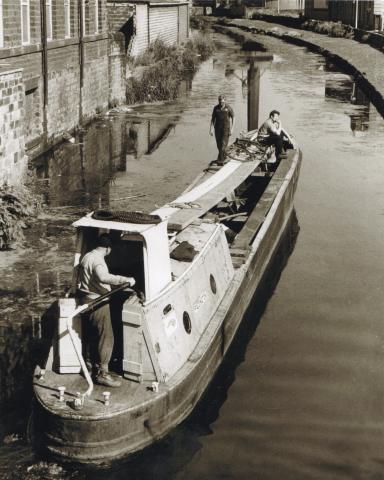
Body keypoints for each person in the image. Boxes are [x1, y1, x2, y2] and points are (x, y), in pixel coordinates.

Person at [77, 233, 135, 388]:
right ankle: (103, 373)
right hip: (98, 303)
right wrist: (125, 280)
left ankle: (89, 366)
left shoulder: (87, 256)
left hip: (85, 300)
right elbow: (103, 277)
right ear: (108, 249)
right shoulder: (98, 261)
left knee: (90, 335)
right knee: (106, 337)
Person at [209, 94, 235, 165]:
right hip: (217, 129)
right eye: (220, 102)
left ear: (225, 101)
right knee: (219, 145)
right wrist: (211, 129)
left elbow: (233, 117)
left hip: (226, 129)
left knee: (223, 145)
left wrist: (232, 128)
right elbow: (213, 119)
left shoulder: (228, 108)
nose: (221, 103)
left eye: (222, 102)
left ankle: (221, 160)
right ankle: (223, 158)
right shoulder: (216, 108)